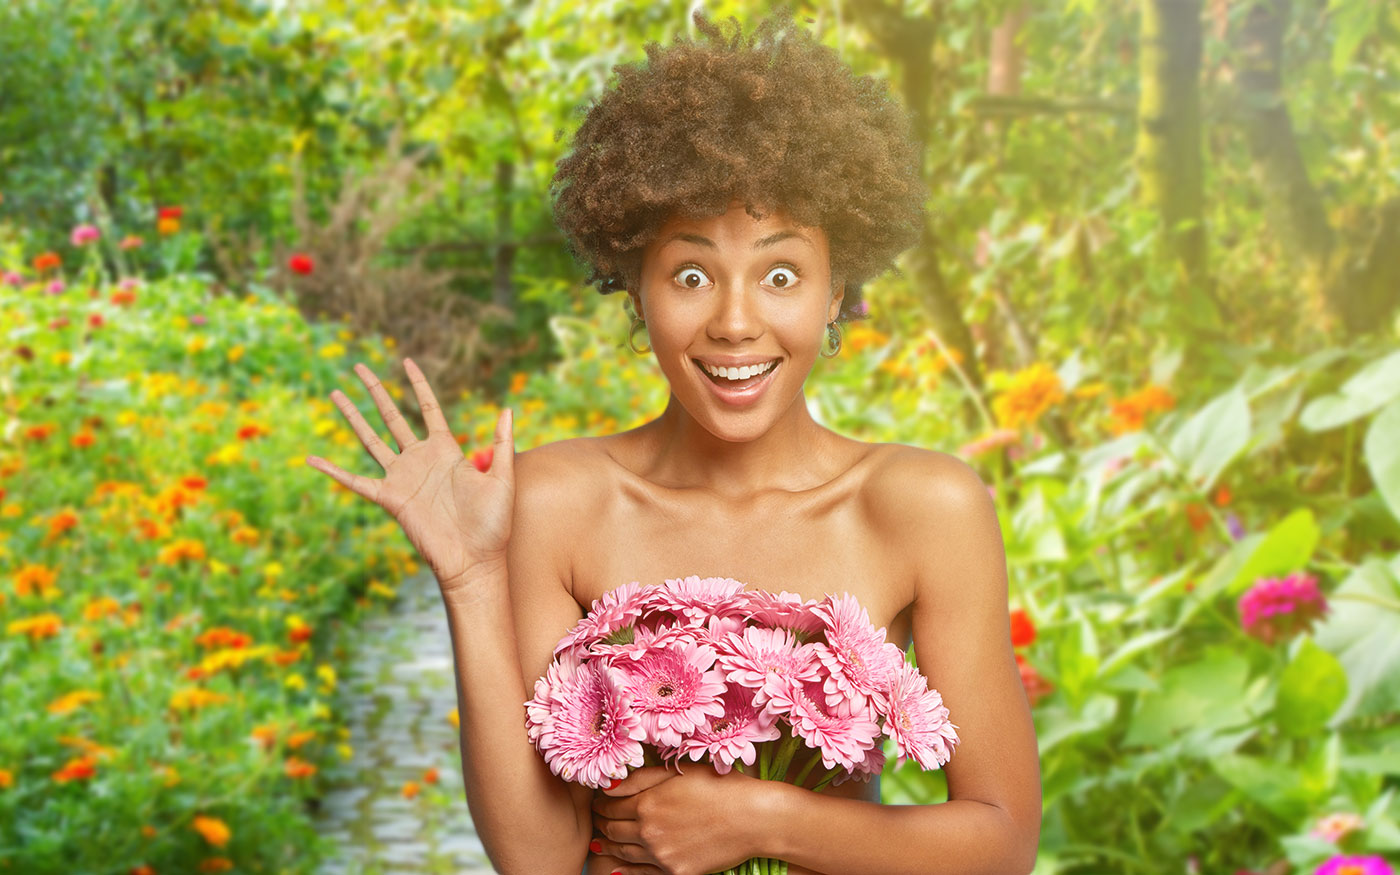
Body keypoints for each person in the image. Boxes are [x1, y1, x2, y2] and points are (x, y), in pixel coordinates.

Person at [305, 8, 1041, 875]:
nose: (735, 322)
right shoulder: (560, 500)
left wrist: (765, 818)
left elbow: (1000, 843)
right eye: (690, 274)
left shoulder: (924, 508)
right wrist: (470, 580)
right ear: (636, 289)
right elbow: (538, 860)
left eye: (780, 274)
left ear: (838, 289)